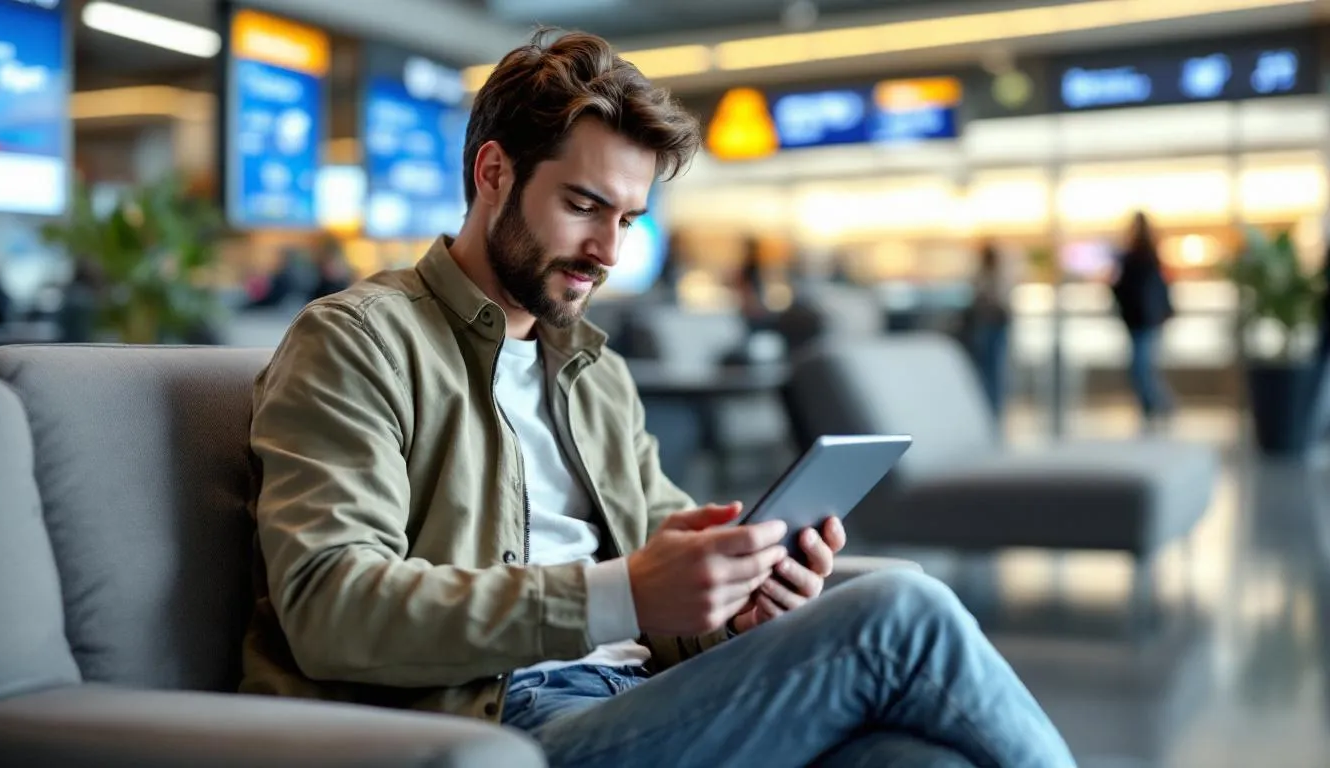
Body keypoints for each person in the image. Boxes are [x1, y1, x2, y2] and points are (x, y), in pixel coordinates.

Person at [242, 30, 1075, 768]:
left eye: (629, 220)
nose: (607, 250)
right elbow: (331, 606)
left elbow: (664, 619)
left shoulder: (594, 373)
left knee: (915, 759)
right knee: (904, 609)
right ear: (492, 173)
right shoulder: (358, 341)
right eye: (582, 206)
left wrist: (737, 607)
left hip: (629, 703)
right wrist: (624, 592)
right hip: (493, 728)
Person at [1111, 211, 1175, 426]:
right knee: (1140, 368)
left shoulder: (1146, 255)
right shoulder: (1132, 255)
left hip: (1147, 320)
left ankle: (1162, 405)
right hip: (1136, 320)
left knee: (1142, 368)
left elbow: (1154, 289)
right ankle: (1151, 408)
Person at [967, 240, 1015, 421]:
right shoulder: (985, 277)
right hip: (988, 327)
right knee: (989, 370)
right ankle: (990, 409)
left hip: (993, 327)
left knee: (993, 370)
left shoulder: (995, 277)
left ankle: (994, 409)